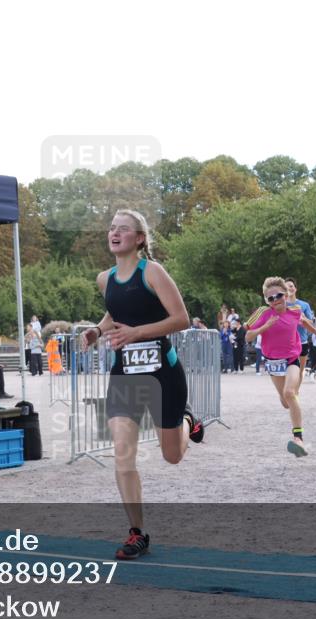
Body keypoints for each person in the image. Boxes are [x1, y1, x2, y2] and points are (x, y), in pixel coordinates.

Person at [78, 209, 204, 561]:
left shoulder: (153, 272)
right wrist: (97, 331)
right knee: (122, 452)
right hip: (125, 377)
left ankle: (186, 422)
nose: (114, 233)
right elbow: (114, 313)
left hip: (163, 374)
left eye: (123, 229)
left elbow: (180, 318)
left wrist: (137, 333)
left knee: (172, 456)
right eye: (111, 228)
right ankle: (136, 533)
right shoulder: (105, 279)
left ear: (139, 238)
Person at [246, 277, 316, 458]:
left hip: (292, 357)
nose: (275, 300)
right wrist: (264, 327)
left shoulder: (295, 310)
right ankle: (289, 400)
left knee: (290, 393)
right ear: (266, 300)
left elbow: (305, 322)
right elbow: (247, 336)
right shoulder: (263, 313)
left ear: (286, 295)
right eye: (270, 298)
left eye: (278, 295)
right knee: (285, 402)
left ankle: (298, 439)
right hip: (272, 361)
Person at [284, 277, 315, 390]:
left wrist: (303, 318)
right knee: (289, 369)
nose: (289, 288)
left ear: (295, 289)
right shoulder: (281, 305)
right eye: (286, 287)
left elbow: (311, 322)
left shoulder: (304, 305)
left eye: (291, 286)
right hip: (287, 343)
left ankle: (295, 392)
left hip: (302, 341)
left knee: (300, 370)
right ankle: (289, 391)